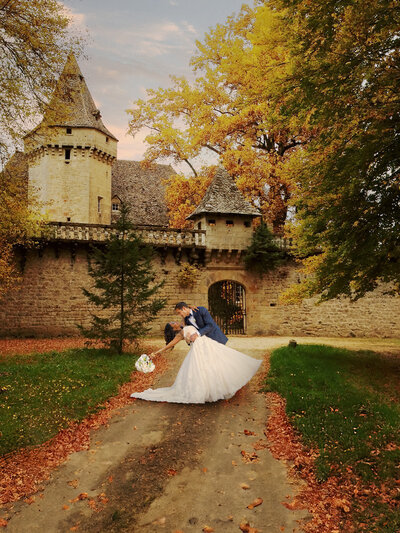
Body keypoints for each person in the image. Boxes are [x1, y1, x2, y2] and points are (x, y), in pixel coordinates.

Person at [130, 325, 261, 404]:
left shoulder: (185, 325)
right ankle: (205, 392)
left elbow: (188, 315)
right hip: (199, 349)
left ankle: (214, 388)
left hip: (206, 344)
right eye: (173, 324)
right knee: (201, 371)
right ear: (174, 329)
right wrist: (156, 352)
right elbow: (169, 345)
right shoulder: (180, 334)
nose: (175, 322)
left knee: (219, 364)